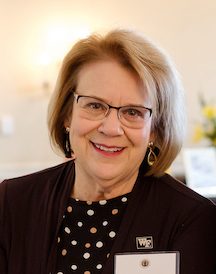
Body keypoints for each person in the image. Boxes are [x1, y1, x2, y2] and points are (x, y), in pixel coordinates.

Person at [0, 29, 216, 274]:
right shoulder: (11, 202)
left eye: (133, 112)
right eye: (94, 105)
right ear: (67, 114)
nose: (111, 128)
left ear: (155, 130)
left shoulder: (192, 219)